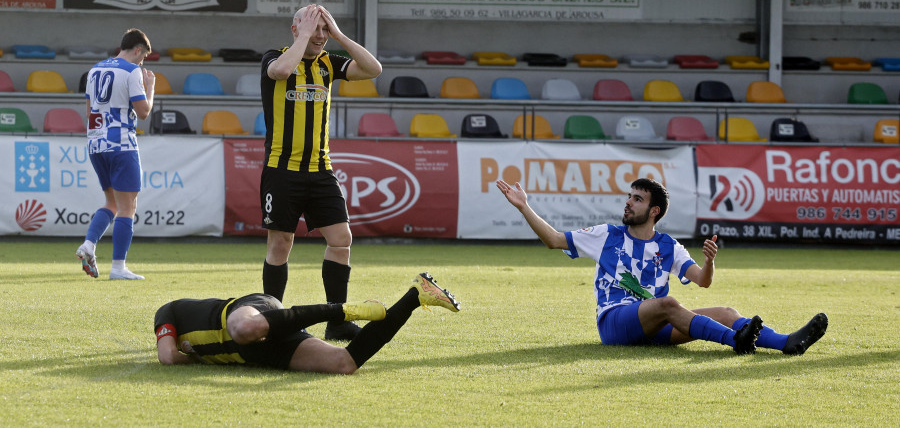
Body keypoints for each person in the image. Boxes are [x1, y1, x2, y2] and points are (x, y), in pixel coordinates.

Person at [496, 177, 828, 355]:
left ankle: (787, 342)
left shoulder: (668, 246)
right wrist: (524, 207)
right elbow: (554, 239)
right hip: (615, 323)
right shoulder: (606, 235)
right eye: (630, 196)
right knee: (669, 304)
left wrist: (710, 262)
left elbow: (703, 281)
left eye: (637, 199)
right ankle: (735, 341)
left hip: (657, 326)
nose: (628, 202)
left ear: (654, 211)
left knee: (726, 310)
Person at [258, 4, 382, 341]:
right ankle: (274, 320)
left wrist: (339, 34)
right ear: (295, 27)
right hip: (281, 170)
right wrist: (304, 35)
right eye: (314, 28)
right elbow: (281, 72)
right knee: (281, 244)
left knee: (341, 241)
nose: (320, 36)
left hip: (320, 170)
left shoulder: (330, 63)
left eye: (324, 30)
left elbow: (373, 69)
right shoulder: (275, 57)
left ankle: (336, 318)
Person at [154, 272, 460, 373]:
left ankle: (342, 310)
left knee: (244, 329)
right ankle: (416, 295)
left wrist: (193, 355)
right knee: (344, 363)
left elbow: (168, 356)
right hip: (254, 354)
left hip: (249, 309)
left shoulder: (168, 310)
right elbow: (169, 356)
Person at [76, 28, 156, 281]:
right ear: (137, 50)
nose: (142, 64)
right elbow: (143, 112)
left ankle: (89, 245)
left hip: (96, 144)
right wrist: (150, 87)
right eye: (143, 58)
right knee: (128, 207)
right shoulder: (132, 71)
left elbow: (89, 110)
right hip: (121, 144)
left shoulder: (95, 69)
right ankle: (119, 267)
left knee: (111, 202)